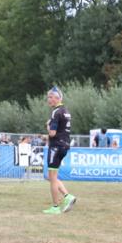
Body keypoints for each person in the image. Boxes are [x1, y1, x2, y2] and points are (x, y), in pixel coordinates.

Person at [43, 87, 76, 215]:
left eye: (51, 97)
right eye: (48, 97)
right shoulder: (66, 111)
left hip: (56, 146)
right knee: (54, 177)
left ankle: (56, 207)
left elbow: (52, 133)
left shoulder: (56, 112)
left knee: (51, 178)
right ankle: (67, 196)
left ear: (58, 98)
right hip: (65, 145)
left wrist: (48, 125)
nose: (49, 100)